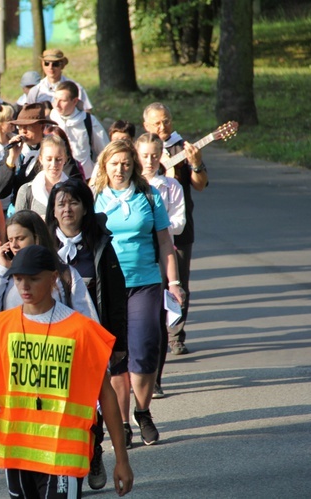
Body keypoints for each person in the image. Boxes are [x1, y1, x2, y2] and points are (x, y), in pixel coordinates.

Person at [0, 245, 134, 498]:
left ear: (53, 278)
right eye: (18, 278)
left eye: (33, 279)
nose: (24, 286)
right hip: (16, 452)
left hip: (64, 454)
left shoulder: (82, 331)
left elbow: (106, 395)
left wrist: (122, 459)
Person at [91, 140, 185, 446]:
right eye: (114, 163)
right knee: (116, 356)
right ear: (104, 166)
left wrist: (173, 283)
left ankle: (142, 412)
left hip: (145, 281)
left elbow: (164, 242)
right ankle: (121, 422)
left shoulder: (149, 195)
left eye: (126, 164)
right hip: (110, 286)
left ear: (134, 166)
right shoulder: (95, 198)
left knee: (145, 348)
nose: (120, 169)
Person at [46, 178, 128, 485]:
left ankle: (94, 452)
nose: (67, 209)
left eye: (74, 202)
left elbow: (117, 298)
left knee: (93, 402)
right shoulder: (43, 247)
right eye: (61, 203)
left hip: (92, 340)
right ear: (53, 210)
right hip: (54, 342)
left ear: (85, 208)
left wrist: (118, 341)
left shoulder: (101, 246)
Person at [143, 102, 208, 356]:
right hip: (145, 229)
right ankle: (151, 332)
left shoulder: (184, 147)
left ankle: (175, 335)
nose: (163, 127)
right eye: (157, 123)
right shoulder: (142, 149)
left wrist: (196, 164)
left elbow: (200, 185)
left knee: (178, 281)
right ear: (146, 125)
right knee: (150, 282)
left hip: (180, 227)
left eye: (167, 121)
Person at [0, 208, 97, 319]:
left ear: (37, 238)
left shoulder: (65, 274)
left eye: (20, 238)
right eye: (10, 240)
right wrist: (2, 271)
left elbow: (87, 319)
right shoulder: (0, 273)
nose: (14, 245)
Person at [136, 133, 186, 398]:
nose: (149, 161)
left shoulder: (170, 186)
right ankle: (134, 373)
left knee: (158, 319)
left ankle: (155, 377)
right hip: (134, 258)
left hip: (162, 256)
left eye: (154, 155)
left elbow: (179, 223)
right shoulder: (129, 185)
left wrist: (158, 224)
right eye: (144, 155)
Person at [0, 103, 55, 210]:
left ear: (42, 127)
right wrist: (11, 160)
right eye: (20, 127)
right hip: (19, 212)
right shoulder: (13, 150)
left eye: (28, 126)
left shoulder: (53, 150)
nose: (23, 131)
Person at [50, 81, 109, 179]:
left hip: (84, 179)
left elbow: (106, 151)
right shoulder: (49, 120)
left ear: (74, 101)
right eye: (55, 99)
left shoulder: (88, 121)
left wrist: (96, 176)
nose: (57, 104)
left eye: (62, 101)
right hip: (56, 179)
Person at [15, 134, 70, 218]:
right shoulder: (27, 191)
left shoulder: (74, 190)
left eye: (59, 159)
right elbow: (19, 226)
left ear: (65, 159)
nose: (54, 164)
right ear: (40, 159)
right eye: (49, 159)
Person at [26, 49, 92, 111]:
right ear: (42, 65)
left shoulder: (76, 88)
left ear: (62, 65)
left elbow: (86, 112)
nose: (50, 67)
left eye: (55, 64)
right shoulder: (35, 91)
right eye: (47, 63)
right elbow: (29, 116)